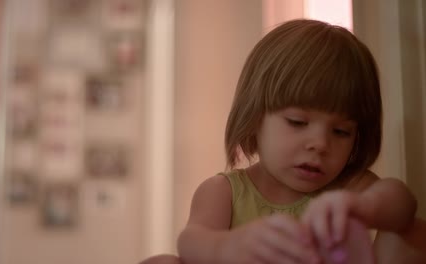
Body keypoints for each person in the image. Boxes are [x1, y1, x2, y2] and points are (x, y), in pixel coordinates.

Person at [140, 19, 418, 264]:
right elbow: (191, 242)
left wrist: (365, 208)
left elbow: (402, 204)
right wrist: (229, 247)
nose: (320, 144)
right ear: (255, 117)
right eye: (297, 122)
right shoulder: (224, 192)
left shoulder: (347, 189)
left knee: (413, 234)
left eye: (341, 132)